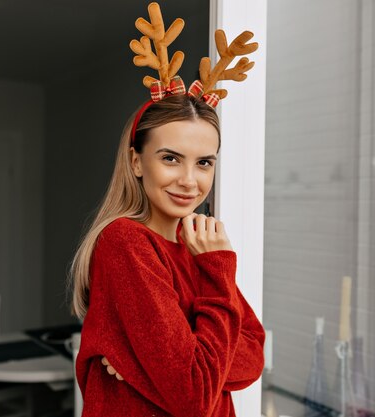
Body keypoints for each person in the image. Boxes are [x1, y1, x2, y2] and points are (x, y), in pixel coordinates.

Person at [67, 3, 265, 416]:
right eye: (171, 158)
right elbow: (193, 394)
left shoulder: (197, 245)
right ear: (137, 161)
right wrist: (184, 365)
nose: (189, 180)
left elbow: (254, 356)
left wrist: (144, 366)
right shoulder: (126, 242)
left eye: (204, 162)